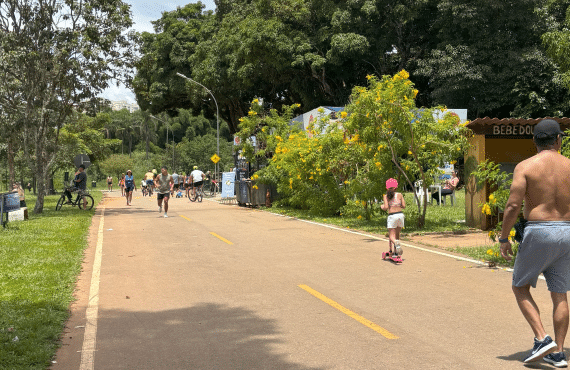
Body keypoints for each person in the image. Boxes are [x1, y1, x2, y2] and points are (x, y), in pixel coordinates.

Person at [499, 119, 570, 366]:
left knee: (520, 286)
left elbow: (512, 205)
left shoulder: (526, 166)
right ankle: (558, 353)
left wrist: (504, 236)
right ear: (558, 140)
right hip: (567, 232)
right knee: (560, 293)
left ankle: (542, 339)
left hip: (540, 230)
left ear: (534, 141)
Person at [380, 178, 406, 257]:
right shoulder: (399, 195)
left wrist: (382, 207)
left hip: (392, 216)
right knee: (397, 234)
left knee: (391, 236)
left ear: (387, 187)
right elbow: (404, 206)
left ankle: (396, 243)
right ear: (396, 187)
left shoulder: (386, 196)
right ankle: (396, 252)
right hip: (400, 215)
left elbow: (386, 207)